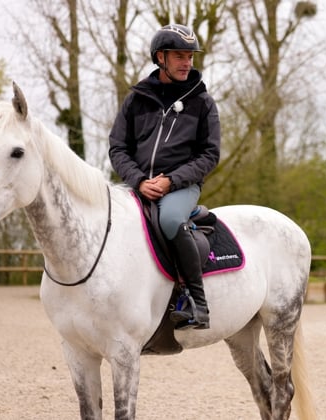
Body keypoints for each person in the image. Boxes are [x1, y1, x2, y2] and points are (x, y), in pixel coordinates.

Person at [109, 23, 220, 330]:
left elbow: (210, 154)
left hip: (181, 186)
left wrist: (171, 181)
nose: (187, 62)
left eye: (190, 56)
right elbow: (118, 147)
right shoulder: (136, 100)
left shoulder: (202, 103)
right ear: (161, 58)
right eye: (180, 56)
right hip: (139, 184)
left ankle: (196, 302)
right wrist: (138, 180)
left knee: (170, 220)